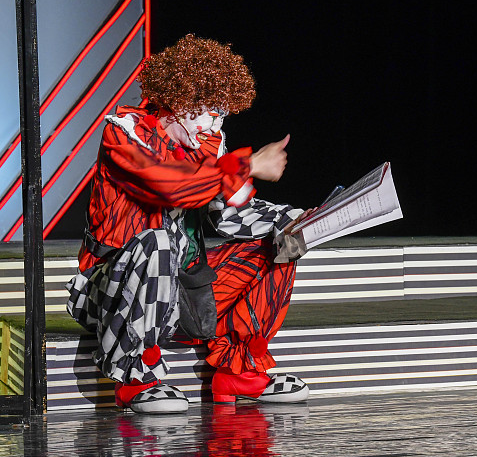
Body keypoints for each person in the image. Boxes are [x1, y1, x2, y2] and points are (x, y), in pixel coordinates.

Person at [66, 34, 311, 414]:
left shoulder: (209, 143)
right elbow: (171, 185)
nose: (215, 123)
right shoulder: (124, 132)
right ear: (180, 101)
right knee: (158, 243)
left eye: (222, 114)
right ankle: (135, 378)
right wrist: (246, 165)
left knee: (278, 244)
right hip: (112, 291)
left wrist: (292, 220)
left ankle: (239, 371)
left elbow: (230, 215)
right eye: (210, 111)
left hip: (183, 289)